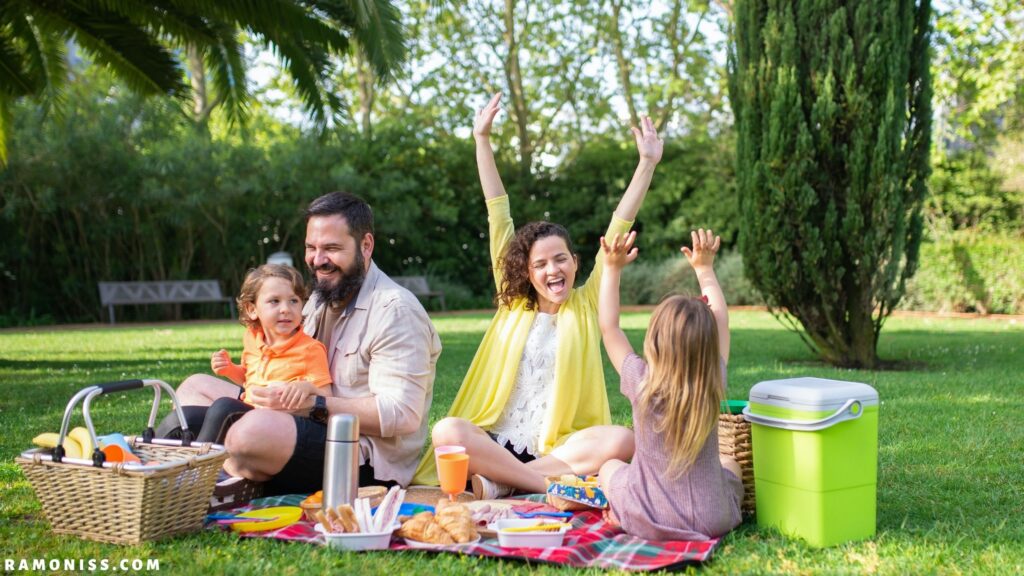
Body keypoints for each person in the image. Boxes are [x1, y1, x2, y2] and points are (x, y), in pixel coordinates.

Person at [413, 92, 663, 498]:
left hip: (558, 450)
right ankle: (540, 486)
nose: (553, 270)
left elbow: (619, 225)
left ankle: (500, 484)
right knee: (447, 431)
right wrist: (482, 140)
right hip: (495, 441)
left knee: (621, 440)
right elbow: (498, 211)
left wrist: (646, 164)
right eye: (541, 264)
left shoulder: (586, 304)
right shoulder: (513, 302)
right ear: (526, 273)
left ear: (576, 263)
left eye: (560, 259)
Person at [159, 191, 441, 496]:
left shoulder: (395, 310)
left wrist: (315, 405)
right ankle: (195, 470)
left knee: (248, 433)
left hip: (359, 456)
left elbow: (403, 414)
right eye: (311, 248)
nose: (318, 260)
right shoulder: (320, 297)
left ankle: (216, 478)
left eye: (331, 248)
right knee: (194, 388)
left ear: (366, 245)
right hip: (296, 416)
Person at [596, 228, 743, 541]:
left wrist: (612, 269)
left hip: (647, 515)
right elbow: (721, 321)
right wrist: (704, 270)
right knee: (730, 463)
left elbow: (609, 329)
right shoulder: (713, 377)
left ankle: (619, 514)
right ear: (708, 345)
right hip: (711, 518)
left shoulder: (641, 381)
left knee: (609, 467)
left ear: (655, 341)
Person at [189, 264, 333, 444]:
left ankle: (198, 467)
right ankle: (152, 463)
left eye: (294, 301)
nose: (286, 309)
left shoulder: (310, 349)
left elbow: (327, 395)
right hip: (250, 411)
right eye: (275, 301)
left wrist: (306, 388)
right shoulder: (252, 338)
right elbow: (248, 379)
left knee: (223, 407)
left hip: (282, 424)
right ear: (252, 309)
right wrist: (230, 370)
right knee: (187, 416)